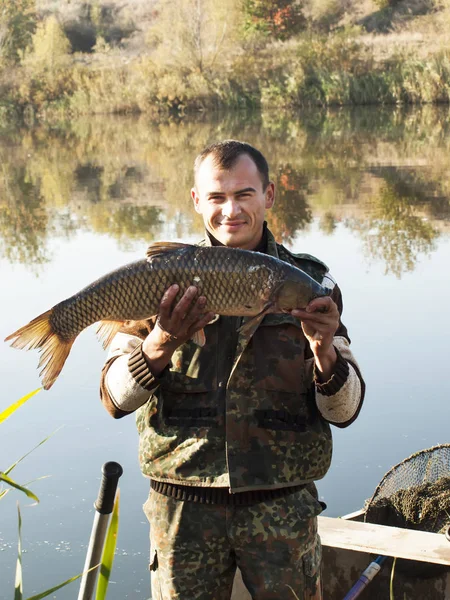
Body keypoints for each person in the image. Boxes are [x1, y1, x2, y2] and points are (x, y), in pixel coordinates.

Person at [100, 140, 365, 600]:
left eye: (244, 194)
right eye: (217, 197)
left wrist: (323, 348)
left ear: (269, 195)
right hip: (182, 504)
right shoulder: (158, 278)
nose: (231, 211)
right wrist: (159, 343)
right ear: (197, 200)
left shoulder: (311, 283)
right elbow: (114, 399)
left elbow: (345, 409)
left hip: (281, 505)